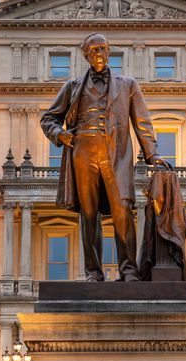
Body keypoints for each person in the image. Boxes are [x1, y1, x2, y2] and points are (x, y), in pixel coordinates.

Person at [39, 32, 162, 280]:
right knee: (88, 214)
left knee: (123, 210)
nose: (99, 53)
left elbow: (142, 123)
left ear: (109, 52)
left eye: (103, 49)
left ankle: (128, 270)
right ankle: (93, 273)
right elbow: (48, 118)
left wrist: (153, 154)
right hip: (82, 152)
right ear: (86, 55)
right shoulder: (73, 87)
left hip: (117, 153)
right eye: (94, 50)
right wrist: (59, 135)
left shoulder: (128, 85)